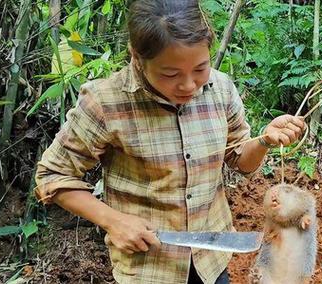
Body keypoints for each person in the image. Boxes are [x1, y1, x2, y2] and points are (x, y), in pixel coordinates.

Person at [34, 1, 305, 283]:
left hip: (211, 262)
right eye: (171, 74)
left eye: (200, 69)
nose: (189, 85)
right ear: (137, 57)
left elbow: (240, 160)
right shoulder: (106, 103)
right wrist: (114, 221)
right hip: (148, 269)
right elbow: (52, 176)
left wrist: (264, 141)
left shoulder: (220, 89)